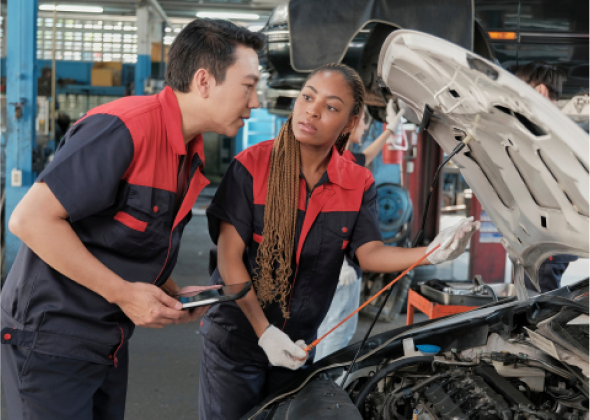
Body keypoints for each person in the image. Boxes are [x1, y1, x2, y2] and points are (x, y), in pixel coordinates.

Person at [0, 19, 264, 420]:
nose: (256, 101)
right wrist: (124, 294)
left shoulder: (185, 151)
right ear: (205, 81)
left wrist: (169, 291)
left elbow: (123, 236)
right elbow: (30, 220)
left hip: (106, 340)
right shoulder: (124, 129)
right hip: (51, 339)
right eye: (249, 86)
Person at [199, 63, 480, 420]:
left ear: (350, 122)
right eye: (307, 97)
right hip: (237, 339)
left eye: (331, 107)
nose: (312, 111)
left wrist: (430, 253)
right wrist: (264, 332)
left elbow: (370, 253)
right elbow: (229, 259)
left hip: (300, 346)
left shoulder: (357, 182)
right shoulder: (250, 167)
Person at [315, 99, 405, 360]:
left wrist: (391, 129)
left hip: (343, 265)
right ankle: (324, 392)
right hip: (337, 267)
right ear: (350, 123)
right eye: (364, 120)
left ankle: (323, 386)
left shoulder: (341, 156)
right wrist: (339, 260)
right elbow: (319, 213)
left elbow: (366, 156)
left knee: (337, 330)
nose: (366, 126)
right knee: (334, 332)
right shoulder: (334, 161)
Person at [515, 61, 578, 292]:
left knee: (538, 305)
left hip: (551, 237)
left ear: (540, 90)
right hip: (542, 235)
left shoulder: (549, 132)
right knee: (531, 300)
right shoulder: (555, 129)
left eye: (518, 89)